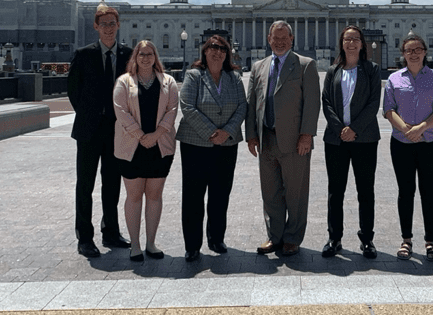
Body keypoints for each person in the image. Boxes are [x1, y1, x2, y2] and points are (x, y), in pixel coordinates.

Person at [246, 20, 321, 257]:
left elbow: (312, 104)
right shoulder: (258, 66)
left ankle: (292, 237)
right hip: (266, 137)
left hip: (294, 139)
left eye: (284, 38)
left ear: (292, 40)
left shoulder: (305, 65)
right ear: (269, 39)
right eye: (275, 38)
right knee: (270, 192)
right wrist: (250, 135)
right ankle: (274, 236)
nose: (279, 42)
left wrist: (306, 135)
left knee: (296, 192)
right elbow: (252, 103)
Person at [67, 4, 133, 258]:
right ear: (96, 27)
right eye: (103, 24)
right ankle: (84, 237)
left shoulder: (128, 56)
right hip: (89, 129)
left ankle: (111, 231)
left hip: (116, 129)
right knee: (85, 184)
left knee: (112, 184)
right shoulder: (83, 54)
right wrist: (88, 115)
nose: (108, 29)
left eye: (112, 24)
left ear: (118, 26)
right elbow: (73, 90)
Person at [176, 35, 248, 262]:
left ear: (227, 54)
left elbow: (242, 106)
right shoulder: (194, 76)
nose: (217, 52)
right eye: (213, 48)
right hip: (195, 144)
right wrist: (211, 132)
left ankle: (216, 238)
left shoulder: (234, 77)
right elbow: (187, 106)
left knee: (220, 194)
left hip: (226, 144)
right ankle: (192, 244)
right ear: (204, 52)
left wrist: (226, 131)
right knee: (193, 195)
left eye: (222, 49)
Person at [383, 34, 433, 261]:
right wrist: (406, 131)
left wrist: (420, 128)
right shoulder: (394, 79)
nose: (413, 53)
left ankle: (430, 241)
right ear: (403, 53)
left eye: (418, 49)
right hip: (401, 142)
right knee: (405, 191)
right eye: (409, 50)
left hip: (430, 141)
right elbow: (388, 110)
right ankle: (406, 239)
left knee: (429, 191)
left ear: (424, 52)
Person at [112, 40, 178, 261]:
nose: (146, 58)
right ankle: (135, 245)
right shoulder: (124, 82)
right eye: (142, 54)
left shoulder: (168, 82)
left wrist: (156, 135)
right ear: (135, 57)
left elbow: (172, 110)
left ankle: (151, 242)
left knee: (154, 196)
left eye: (150, 54)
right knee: (133, 196)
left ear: (155, 56)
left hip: (160, 146)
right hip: (132, 147)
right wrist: (141, 136)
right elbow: (121, 112)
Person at [320, 26, 381, 259]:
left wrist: (354, 129)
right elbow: (326, 102)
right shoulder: (332, 70)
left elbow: (374, 102)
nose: (352, 43)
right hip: (335, 140)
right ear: (341, 43)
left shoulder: (371, 70)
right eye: (347, 39)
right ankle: (334, 238)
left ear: (362, 44)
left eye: (356, 39)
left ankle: (367, 239)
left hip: (364, 138)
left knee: (365, 191)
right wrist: (340, 129)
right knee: (335, 191)